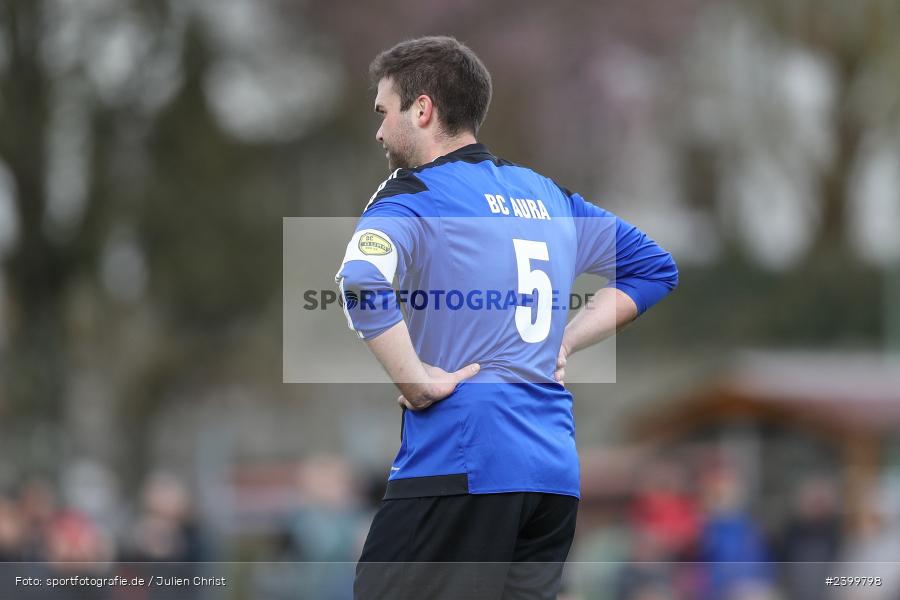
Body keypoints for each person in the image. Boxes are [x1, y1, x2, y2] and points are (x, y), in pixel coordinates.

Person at [335, 36, 678, 599]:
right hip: (552, 471)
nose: (378, 130)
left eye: (384, 110)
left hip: (462, 459)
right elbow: (655, 270)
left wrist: (416, 383)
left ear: (421, 110)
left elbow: (360, 280)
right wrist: (563, 343)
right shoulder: (547, 195)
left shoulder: (415, 192)